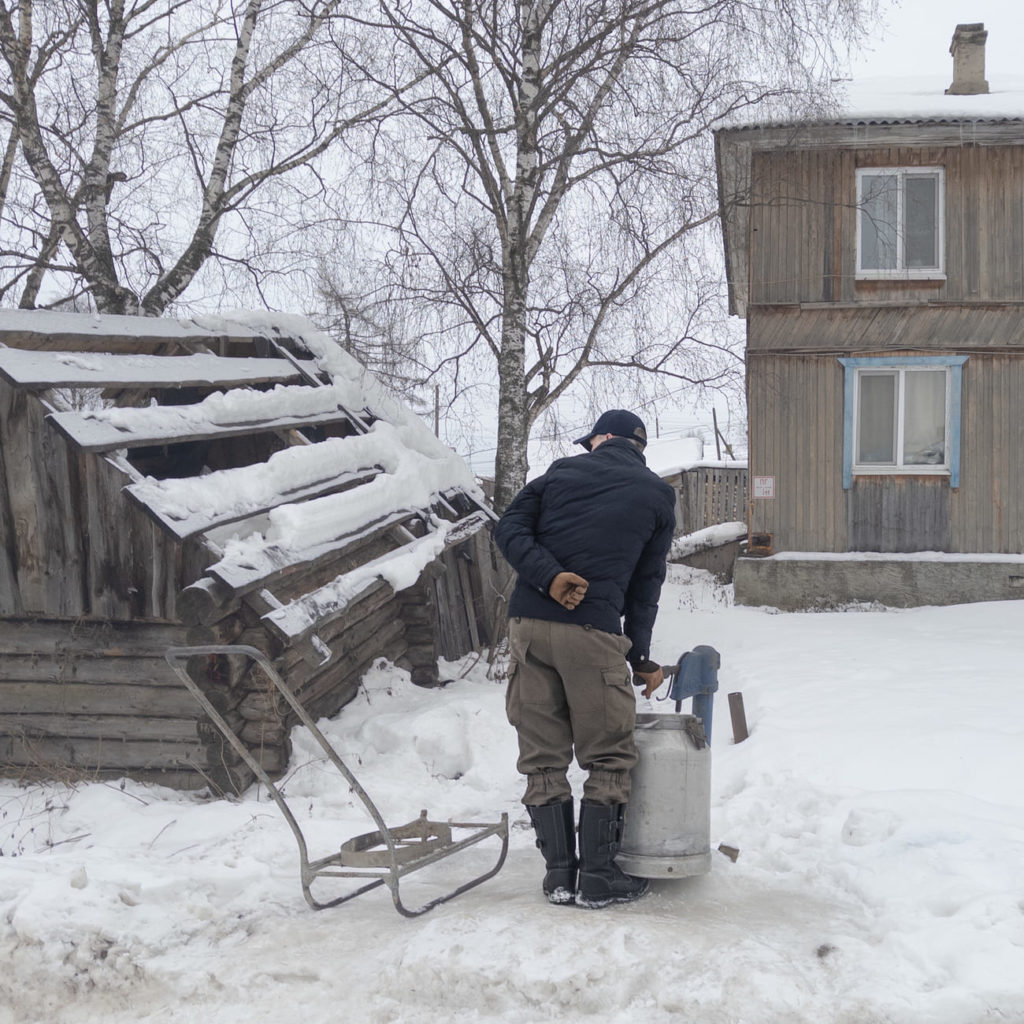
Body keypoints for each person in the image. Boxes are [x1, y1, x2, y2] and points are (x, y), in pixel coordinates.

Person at [493, 409, 676, 909]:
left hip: (528, 628)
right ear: (639, 447)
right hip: (593, 631)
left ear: (600, 438)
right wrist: (639, 656)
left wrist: (548, 576)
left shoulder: (558, 473)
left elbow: (508, 530)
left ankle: (557, 876)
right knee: (608, 754)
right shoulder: (658, 495)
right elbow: (646, 587)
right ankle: (598, 876)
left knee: (543, 756)